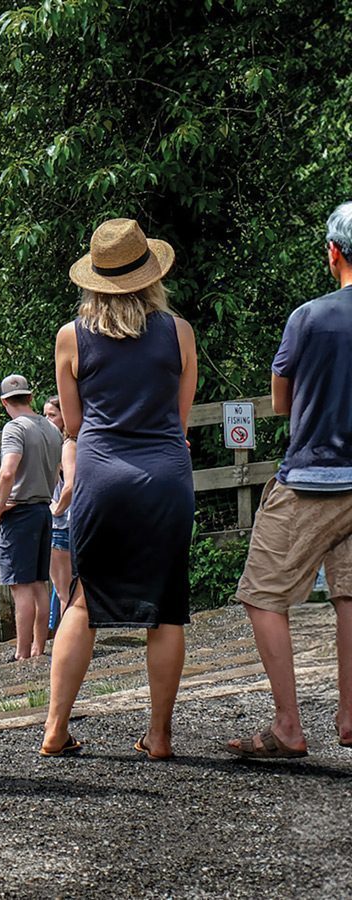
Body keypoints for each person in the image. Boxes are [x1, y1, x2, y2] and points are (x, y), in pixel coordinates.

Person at [42, 218, 196, 761]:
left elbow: (75, 425)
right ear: (151, 274)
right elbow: (179, 420)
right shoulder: (178, 332)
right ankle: (158, 735)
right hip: (165, 478)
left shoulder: (71, 336)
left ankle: (55, 729)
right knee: (167, 609)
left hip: (101, 477)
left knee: (83, 600)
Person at [226, 200, 352, 759]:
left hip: (313, 479)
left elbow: (282, 402)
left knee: (262, 592)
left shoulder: (310, 317)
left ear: (333, 252)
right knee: (350, 595)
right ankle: (350, 718)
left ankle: (287, 726)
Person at [0, 374, 62, 660]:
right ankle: (38, 647)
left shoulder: (14, 428)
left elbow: (8, 470)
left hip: (20, 510)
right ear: (31, 397)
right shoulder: (51, 428)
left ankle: (21, 653)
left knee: (20, 585)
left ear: (4, 402)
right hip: (43, 510)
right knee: (39, 582)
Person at [43, 395, 75, 634]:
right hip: (74, 524)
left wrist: (57, 509)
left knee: (63, 589)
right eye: (44, 415)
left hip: (62, 525)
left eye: (52, 415)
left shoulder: (67, 446)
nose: (47, 420)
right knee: (64, 587)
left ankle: (66, 641)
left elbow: (70, 486)